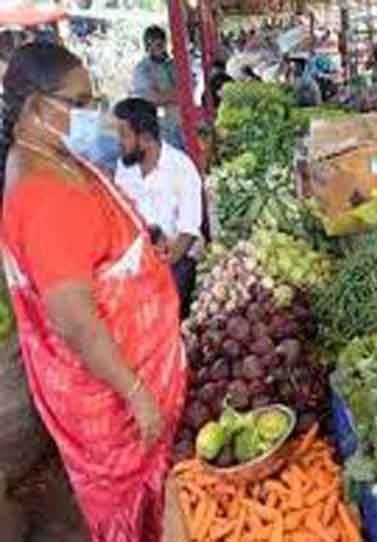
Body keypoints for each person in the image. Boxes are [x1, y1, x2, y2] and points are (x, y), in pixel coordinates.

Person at [0, 43, 187, 541]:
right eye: (80, 103)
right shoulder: (40, 194)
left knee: (161, 499)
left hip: (132, 374)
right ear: (38, 107)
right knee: (131, 507)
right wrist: (136, 394)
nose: (93, 114)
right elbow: (73, 319)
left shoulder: (54, 156)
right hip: (111, 401)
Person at [113, 98, 203, 316]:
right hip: (138, 258)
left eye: (124, 135)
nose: (118, 142)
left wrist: (160, 268)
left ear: (145, 138)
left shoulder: (181, 168)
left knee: (163, 309)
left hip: (176, 259)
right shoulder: (125, 168)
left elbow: (188, 232)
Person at [131, 25, 185, 150]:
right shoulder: (142, 69)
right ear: (147, 47)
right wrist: (177, 95)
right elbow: (153, 98)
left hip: (180, 123)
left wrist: (171, 95)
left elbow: (188, 88)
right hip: (159, 128)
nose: (161, 49)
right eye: (157, 45)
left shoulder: (173, 65)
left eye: (162, 44)